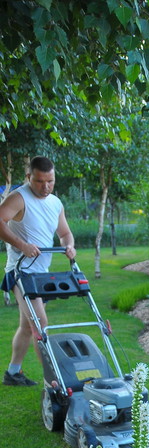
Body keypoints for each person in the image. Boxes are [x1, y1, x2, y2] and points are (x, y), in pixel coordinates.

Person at [0, 156, 76, 386]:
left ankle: (13, 373)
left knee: (27, 326)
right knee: (40, 323)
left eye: (50, 181)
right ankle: (53, 381)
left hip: (41, 274)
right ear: (28, 177)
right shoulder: (18, 198)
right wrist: (21, 245)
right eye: (40, 181)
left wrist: (69, 246)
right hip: (20, 272)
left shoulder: (55, 203)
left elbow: (64, 233)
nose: (45, 187)